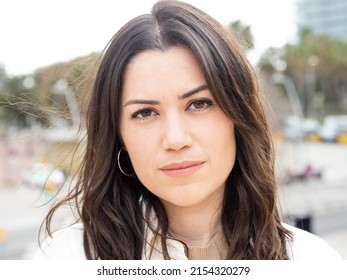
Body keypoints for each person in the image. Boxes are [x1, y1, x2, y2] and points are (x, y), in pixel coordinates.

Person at [34, 0, 341, 260]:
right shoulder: (66, 258)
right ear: (119, 136)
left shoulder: (310, 260)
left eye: (199, 104)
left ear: (238, 116)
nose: (176, 139)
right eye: (144, 113)